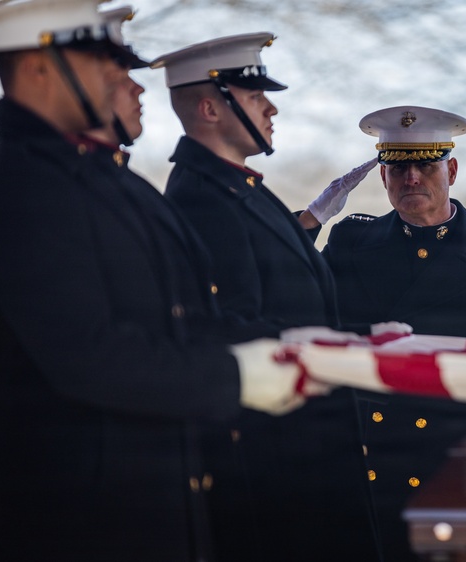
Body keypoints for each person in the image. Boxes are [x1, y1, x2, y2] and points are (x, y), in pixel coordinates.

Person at [0, 2, 303, 561]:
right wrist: (236, 377)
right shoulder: (21, 183)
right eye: (99, 62)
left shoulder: (83, 172)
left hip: (138, 497)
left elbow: (174, 317)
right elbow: (85, 353)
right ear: (37, 69)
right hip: (73, 520)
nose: (117, 79)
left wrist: (281, 344)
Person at [152, 33, 380, 562]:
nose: (271, 107)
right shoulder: (204, 198)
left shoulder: (238, 187)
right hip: (274, 462)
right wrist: (359, 345)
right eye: (256, 97)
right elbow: (237, 327)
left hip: (305, 452)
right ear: (210, 107)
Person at [319, 105, 466, 561]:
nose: (412, 178)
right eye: (398, 167)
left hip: (455, 465)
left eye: (425, 164)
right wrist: (307, 221)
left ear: (452, 171)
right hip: (365, 463)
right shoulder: (351, 243)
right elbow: (302, 317)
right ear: (383, 178)